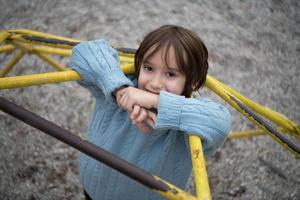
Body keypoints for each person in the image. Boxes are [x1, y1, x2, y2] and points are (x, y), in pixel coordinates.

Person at [70, 25, 231, 200]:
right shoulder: (116, 89)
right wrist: (120, 90)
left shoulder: (188, 120)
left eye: (170, 74)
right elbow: (84, 51)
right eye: (148, 68)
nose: (155, 83)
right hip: (92, 190)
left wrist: (156, 101)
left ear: (193, 82)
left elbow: (221, 122)